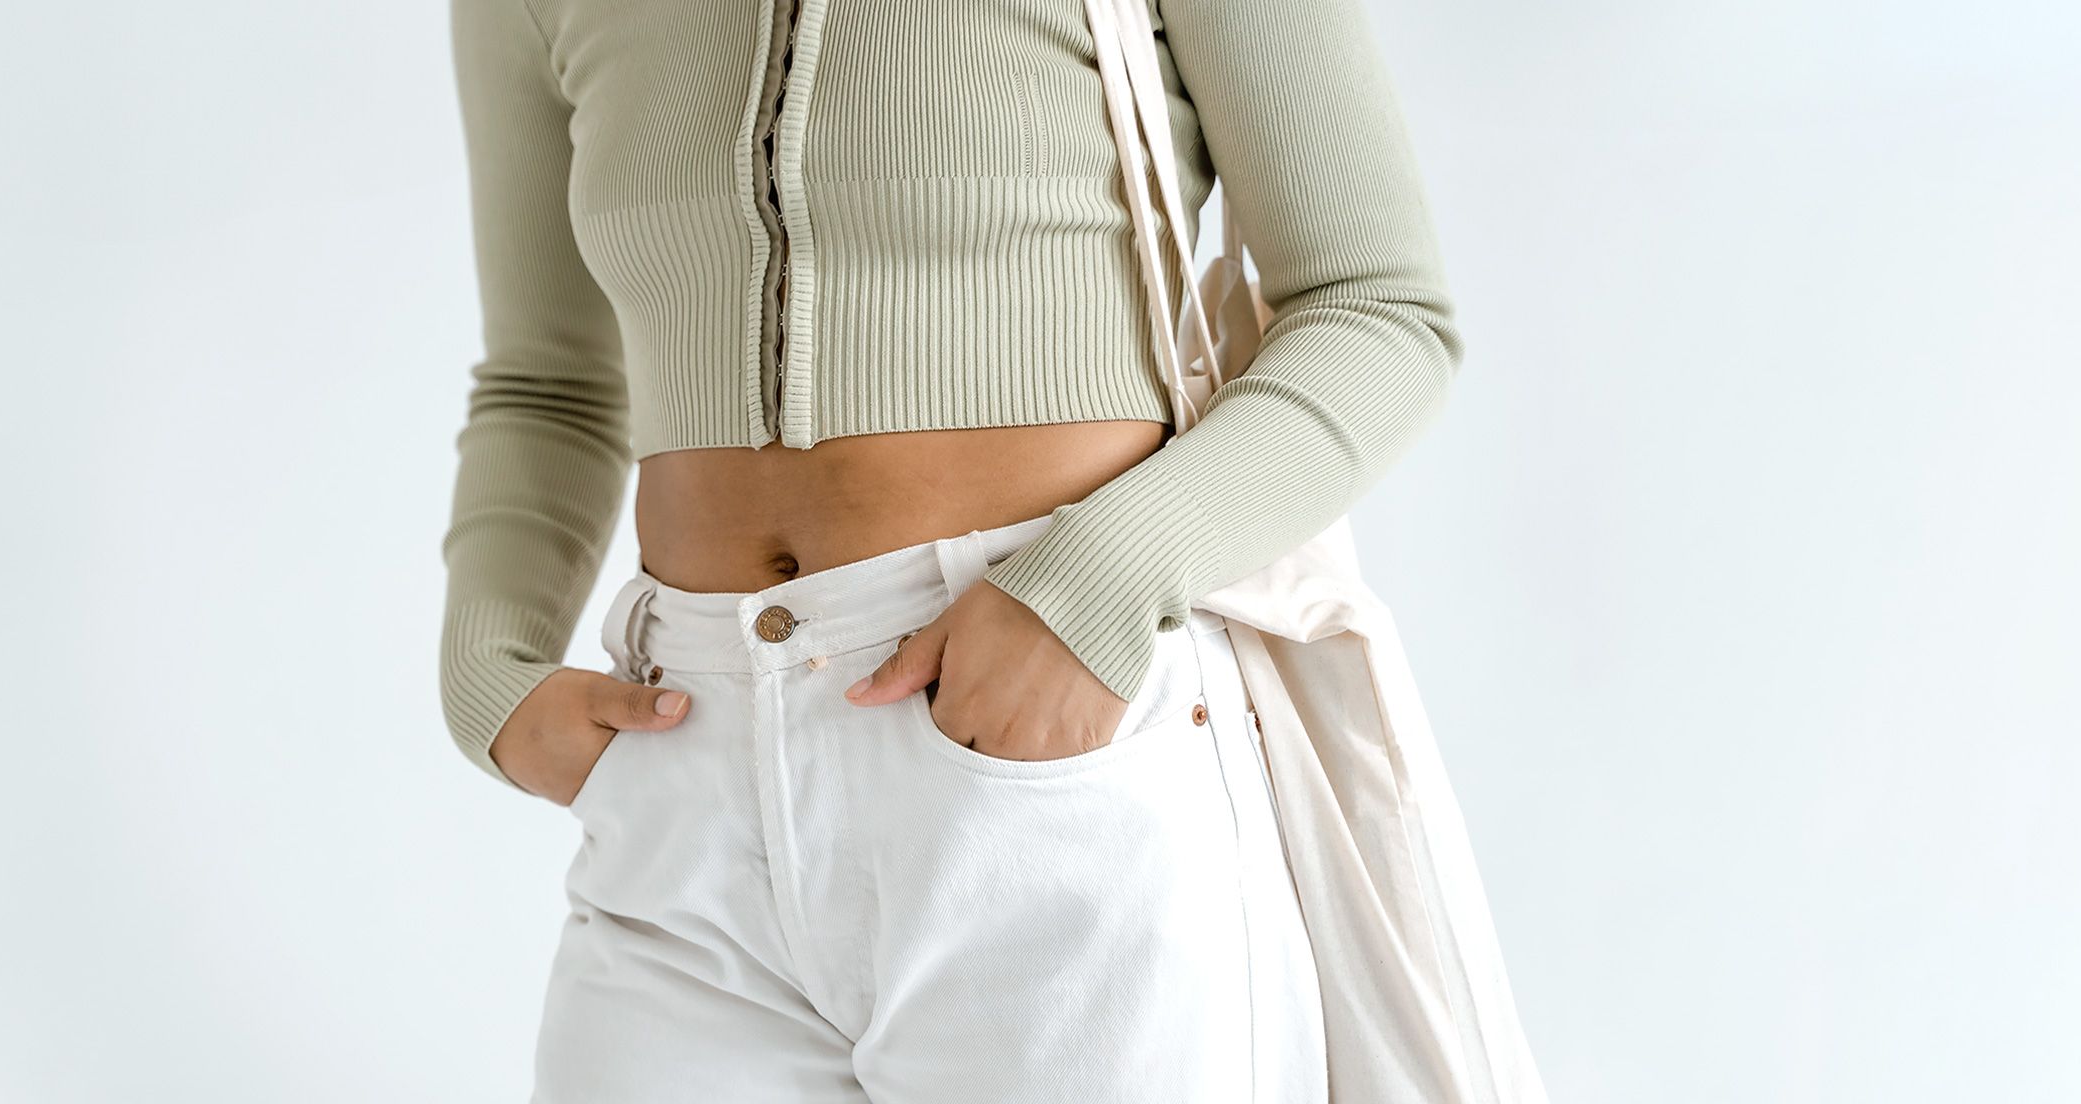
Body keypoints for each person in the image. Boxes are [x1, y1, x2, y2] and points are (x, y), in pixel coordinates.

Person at [440, 0, 1459, 1098]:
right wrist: (485, 670)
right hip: (684, 769)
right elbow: (547, 386)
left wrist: (1094, 588)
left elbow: (1377, 306)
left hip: (1042, 738)